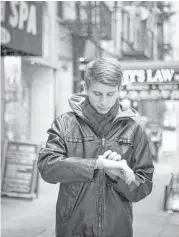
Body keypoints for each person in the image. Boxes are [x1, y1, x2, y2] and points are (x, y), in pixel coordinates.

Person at [38, 58, 154, 237]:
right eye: (97, 93)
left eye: (111, 94)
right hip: (73, 230)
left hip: (117, 230)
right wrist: (97, 165)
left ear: (119, 89)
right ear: (85, 88)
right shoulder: (65, 124)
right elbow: (47, 168)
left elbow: (142, 188)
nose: (104, 102)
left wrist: (118, 177)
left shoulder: (133, 130)